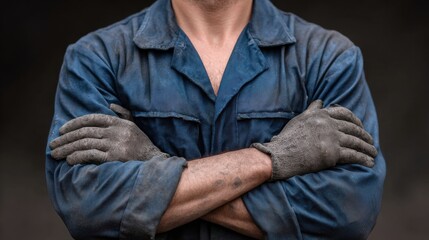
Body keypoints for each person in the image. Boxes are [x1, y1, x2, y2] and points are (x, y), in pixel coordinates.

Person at [46, 0, 386, 239]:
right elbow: (87, 205)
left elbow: (349, 210)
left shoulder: (329, 59)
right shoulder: (96, 58)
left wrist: (152, 166)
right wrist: (271, 160)